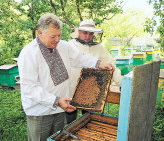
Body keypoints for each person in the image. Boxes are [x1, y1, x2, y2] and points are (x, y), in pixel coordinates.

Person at [18, 13, 114, 141]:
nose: (57, 39)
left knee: (60, 138)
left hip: (61, 108)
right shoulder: (28, 54)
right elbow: (29, 88)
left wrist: (99, 63)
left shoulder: (63, 46)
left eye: (59, 35)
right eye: (53, 36)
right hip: (40, 112)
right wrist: (56, 100)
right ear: (40, 33)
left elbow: (80, 58)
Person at [66, 19, 122, 124]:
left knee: (90, 121)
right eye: (85, 33)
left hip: (91, 90)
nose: (87, 36)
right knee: (69, 121)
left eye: (91, 33)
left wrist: (121, 82)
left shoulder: (98, 48)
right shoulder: (70, 45)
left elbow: (111, 65)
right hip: (70, 88)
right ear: (78, 32)